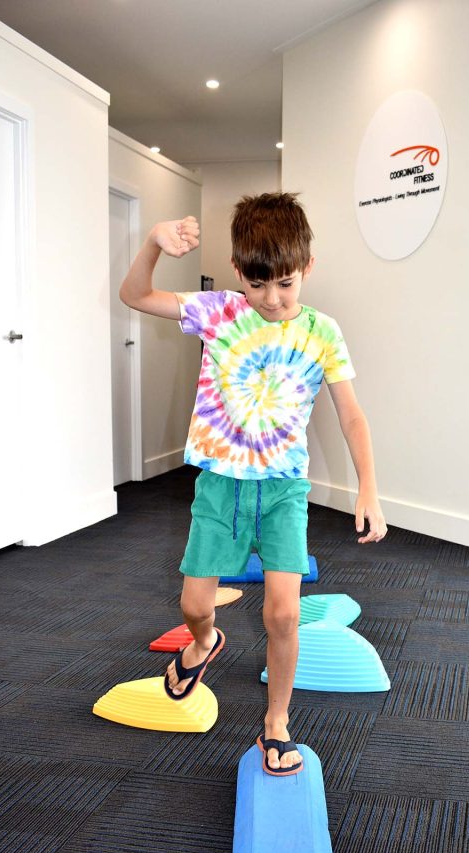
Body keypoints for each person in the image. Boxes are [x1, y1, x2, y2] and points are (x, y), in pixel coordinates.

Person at [119, 192, 386, 776]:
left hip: (283, 491)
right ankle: (203, 643)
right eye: (259, 284)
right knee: (194, 603)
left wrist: (369, 488)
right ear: (240, 271)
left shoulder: (322, 332)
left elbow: (352, 415)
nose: (271, 299)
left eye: (285, 284)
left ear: (306, 268)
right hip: (220, 486)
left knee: (283, 615)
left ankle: (276, 724)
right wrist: (152, 245)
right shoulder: (219, 311)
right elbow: (135, 295)